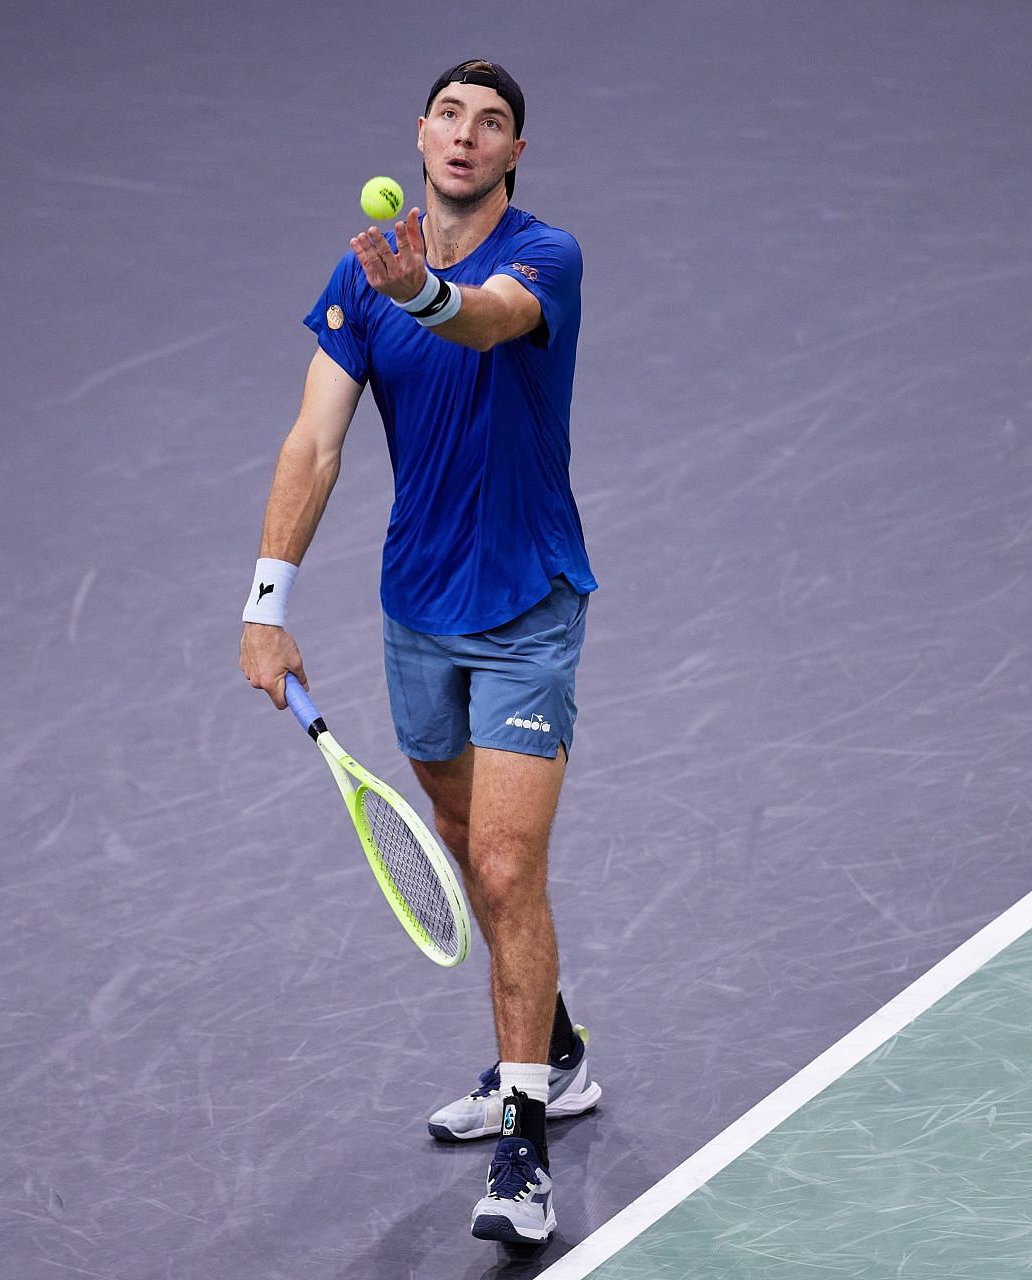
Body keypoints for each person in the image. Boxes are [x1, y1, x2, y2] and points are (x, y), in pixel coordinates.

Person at [238, 60, 597, 1246]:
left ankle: (525, 1146)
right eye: (449, 114)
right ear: (422, 134)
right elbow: (315, 439)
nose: (465, 134)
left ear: (512, 157)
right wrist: (266, 598)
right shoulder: (359, 271)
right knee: (456, 838)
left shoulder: (547, 259)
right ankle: (558, 1050)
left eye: (492, 123)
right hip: (418, 615)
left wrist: (426, 294)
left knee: (501, 868)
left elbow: (486, 321)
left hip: (528, 610)